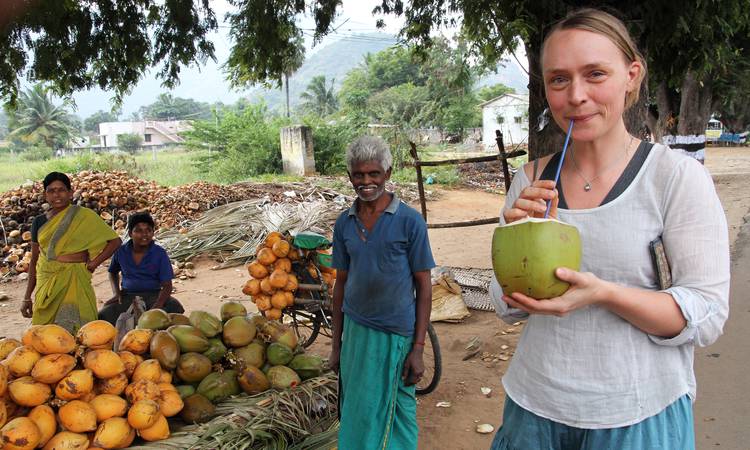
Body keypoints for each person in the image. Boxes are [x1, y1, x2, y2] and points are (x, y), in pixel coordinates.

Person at [489, 8, 729, 449]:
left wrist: (604, 293)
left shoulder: (674, 179)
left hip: (636, 413)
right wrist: (513, 241)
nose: (576, 95)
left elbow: (707, 313)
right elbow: (507, 307)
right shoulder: (531, 181)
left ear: (631, 75)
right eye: (559, 80)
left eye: (595, 74)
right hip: (535, 409)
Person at [329, 136, 436, 449]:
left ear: (387, 174)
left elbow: (424, 286)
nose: (366, 181)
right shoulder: (344, 223)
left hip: (396, 336)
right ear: (350, 178)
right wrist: (336, 346)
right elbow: (341, 285)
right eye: (359, 175)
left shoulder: (409, 221)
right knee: (358, 409)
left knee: (397, 411)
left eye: (374, 174)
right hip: (357, 333)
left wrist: (417, 348)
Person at [22, 172, 122, 332]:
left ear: (70, 192)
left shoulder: (84, 216)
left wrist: (94, 263)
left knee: (82, 330)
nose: (57, 195)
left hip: (76, 277)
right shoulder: (39, 222)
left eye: (61, 190)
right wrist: (27, 297)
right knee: (44, 334)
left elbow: (115, 241)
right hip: (47, 279)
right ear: (45, 194)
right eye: (51, 191)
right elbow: (34, 259)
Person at [98, 212, 184, 325]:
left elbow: (167, 285)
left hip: (153, 295)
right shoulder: (121, 252)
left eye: (148, 230)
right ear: (130, 233)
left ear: (153, 232)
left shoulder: (159, 253)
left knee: (174, 307)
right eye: (138, 230)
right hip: (128, 296)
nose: (144, 234)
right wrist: (116, 293)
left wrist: (158, 306)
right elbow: (112, 272)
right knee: (104, 314)